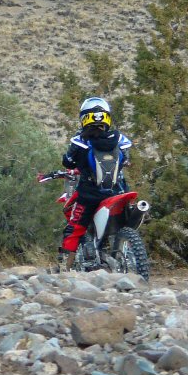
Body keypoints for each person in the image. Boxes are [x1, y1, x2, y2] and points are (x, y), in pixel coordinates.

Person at [57, 97, 132, 271]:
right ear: (106, 117)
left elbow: (67, 162)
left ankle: (64, 270)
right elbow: (127, 159)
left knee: (75, 228)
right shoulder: (120, 138)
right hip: (117, 191)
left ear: (85, 117)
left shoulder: (80, 141)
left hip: (89, 194)